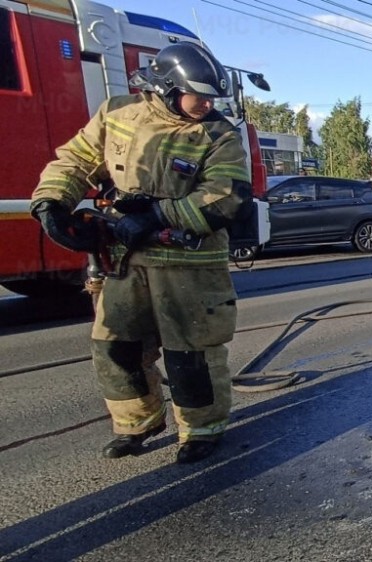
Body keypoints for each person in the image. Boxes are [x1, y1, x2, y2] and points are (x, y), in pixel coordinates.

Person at [30, 42, 252, 464]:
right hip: (123, 262)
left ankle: (201, 431)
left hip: (189, 270)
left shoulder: (219, 135)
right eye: (197, 95)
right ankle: (136, 425)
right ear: (168, 87)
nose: (206, 104)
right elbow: (75, 160)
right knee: (117, 349)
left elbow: (227, 198)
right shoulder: (118, 114)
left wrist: (155, 215)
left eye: (211, 97)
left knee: (193, 356)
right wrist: (52, 202)